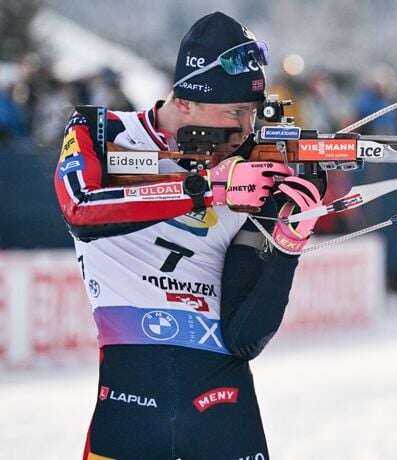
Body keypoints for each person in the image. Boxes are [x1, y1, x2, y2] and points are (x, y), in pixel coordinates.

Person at [54, 12, 322, 459]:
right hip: (128, 409)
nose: (245, 129)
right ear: (184, 102)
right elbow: (80, 208)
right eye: (234, 112)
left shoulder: (258, 164)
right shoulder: (104, 134)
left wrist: (287, 247)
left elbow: (244, 337)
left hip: (223, 412)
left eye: (253, 113)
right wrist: (207, 189)